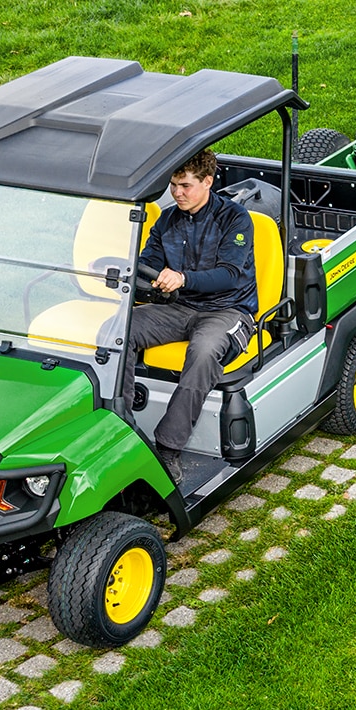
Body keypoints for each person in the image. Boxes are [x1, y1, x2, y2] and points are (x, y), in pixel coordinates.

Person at [127, 150, 257, 482]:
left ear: (208, 182)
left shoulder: (235, 219)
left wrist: (182, 277)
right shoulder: (167, 221)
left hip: (228, 309)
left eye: (185, 186)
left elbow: (229, 274)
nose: (178, 193)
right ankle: (121, 425)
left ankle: (168, 447)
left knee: (202, 353)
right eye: (173, 186)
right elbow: (148, 262)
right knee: (118, 331)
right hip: (179, 307)